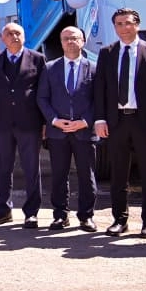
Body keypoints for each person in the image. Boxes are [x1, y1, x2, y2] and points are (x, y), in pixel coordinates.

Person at [93, 7, 146, 238]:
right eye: (119, 24)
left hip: (144, 122)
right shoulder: (107, 53)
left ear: (137, 25)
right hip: (116, 122)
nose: (124, 28)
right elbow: (100, 88)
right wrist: (100, 119)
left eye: (128, 23)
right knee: (118, 173)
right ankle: (119, 220)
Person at [0, 22, 46, 226]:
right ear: (2, 38)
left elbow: (43, 92)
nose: (14, 37)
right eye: (9, 34)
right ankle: (3, 209)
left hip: (29, 123)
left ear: (24, 36)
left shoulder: (38, 59)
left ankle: (31, 212)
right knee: (2, 168)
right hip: (1, 123)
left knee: (31, 169)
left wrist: (44, 122)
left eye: (18, 33)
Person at [36, 27, 98, 231]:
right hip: (58, 132)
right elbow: (42, 98)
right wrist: (54, 120)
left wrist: (85, 121)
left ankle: (86, 216)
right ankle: (60, 215)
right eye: (66, 39)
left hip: (84, 131)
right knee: (59, 175)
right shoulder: (50, 68)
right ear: (61, 43)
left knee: (86, 176)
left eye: (74, 38)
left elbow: (99, 100)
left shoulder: (94, 68)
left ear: (83, 41)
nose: (70, 41)